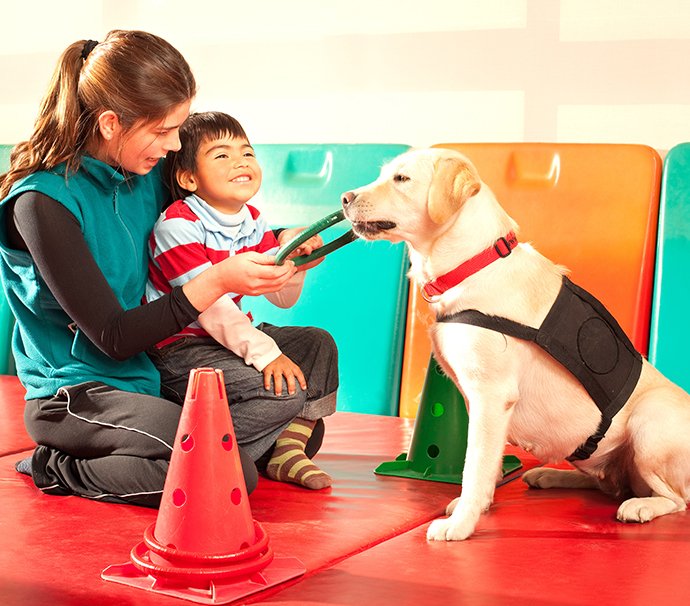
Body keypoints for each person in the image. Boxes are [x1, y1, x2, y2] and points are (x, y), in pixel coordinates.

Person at [0, 30, 323, 507]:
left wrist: (289, 242)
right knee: (223, 474)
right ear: (111, 124)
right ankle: (57, 466)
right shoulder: (40, 203)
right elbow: (115, 337)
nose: (175, 146)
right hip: (78, 394)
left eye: (179, 127)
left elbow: (217, 217)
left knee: (306, 374)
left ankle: (209, 449)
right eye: (162, 130)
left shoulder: (143, 174)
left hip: (155, 375)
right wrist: (217, 280)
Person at [146, 111, 338, 490]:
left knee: (318, 344)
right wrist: (267, 355)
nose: (240, 162)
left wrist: (296, 260)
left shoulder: (252, 219)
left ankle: (287, 450)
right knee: (282, 392)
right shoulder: (177, 226)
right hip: (180, 349)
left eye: (246, 153)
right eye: (221, 155)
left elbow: (281, 296)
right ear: (188, 178)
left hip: (228, 337)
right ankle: (202, 460)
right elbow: (209, 308)